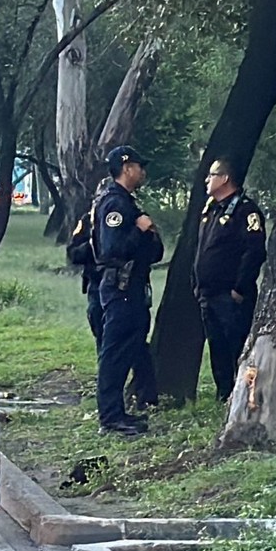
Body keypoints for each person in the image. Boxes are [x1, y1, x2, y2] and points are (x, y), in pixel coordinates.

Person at [91, 146, 163, 436]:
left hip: (132, 286)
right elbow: (112, 249)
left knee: (127, 348)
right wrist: (140, 231)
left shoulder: (127, 203)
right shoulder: (115, 205)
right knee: (114, 352)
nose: (142, 171)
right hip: (120, 287)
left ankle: (117, 412)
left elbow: (155, 251)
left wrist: (148, 235)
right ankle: (110, 416)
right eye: (138, 166)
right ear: (126, 168)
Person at [67, 179, 157, 409]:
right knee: (107, 345)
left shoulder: (129, 217)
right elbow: (74, 253)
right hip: (99, 287)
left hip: (125, 285)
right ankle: (110, 402)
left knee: (134, 344)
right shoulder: (89, 221)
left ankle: (143, 395)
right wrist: (96, 245)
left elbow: (154, 249)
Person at [193, 157, 267, 402]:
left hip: (231, 295)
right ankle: (224, 394)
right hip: (208, 293)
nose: (207, 179)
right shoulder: (211, 208)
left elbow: (254, 251)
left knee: (238, 345)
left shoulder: (246, 211)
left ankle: (246, 396)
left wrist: (239, 288)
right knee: (217, 347)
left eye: (212, 175)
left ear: (225, 178)